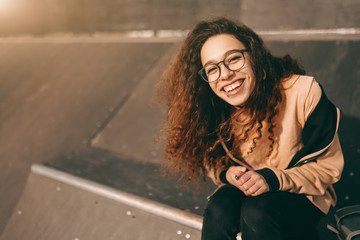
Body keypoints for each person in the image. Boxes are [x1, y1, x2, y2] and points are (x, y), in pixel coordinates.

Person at [156, 17, 344, 240]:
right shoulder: (214, 106)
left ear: (253, 55)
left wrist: (272, 179)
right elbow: (213, 162)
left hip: (302, 194)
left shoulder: (303, 91)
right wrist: (228, 174)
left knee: (257, 211)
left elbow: (328, 170)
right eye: (212, 69)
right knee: (220, 206)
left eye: (233, 59)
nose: (225, 74)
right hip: (250, 197)